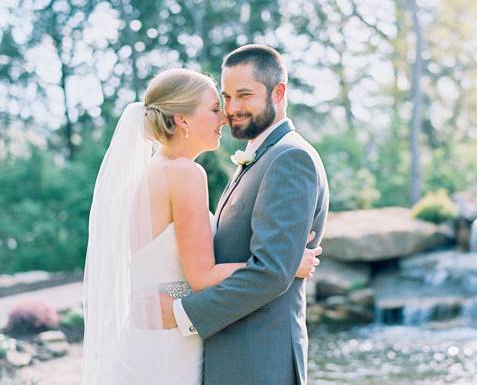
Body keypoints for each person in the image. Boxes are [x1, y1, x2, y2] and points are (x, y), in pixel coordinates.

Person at [81, 66, 323, 384]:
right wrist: (286, 263)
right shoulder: (185, 174)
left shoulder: (153, 172)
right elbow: (201, 277)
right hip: (169, 345)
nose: (224, 118)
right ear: (183, 119)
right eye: (213, 109)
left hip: (148, 336)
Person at [160, 44, 329, 385]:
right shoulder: (258, 156)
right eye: (226, 97)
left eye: (244, 95)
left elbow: (269, 273)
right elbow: (222, 261)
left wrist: (182, 312)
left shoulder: (290, 159)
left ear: (278, 92)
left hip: (259, 362)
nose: (232, 109)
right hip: (231, 357)